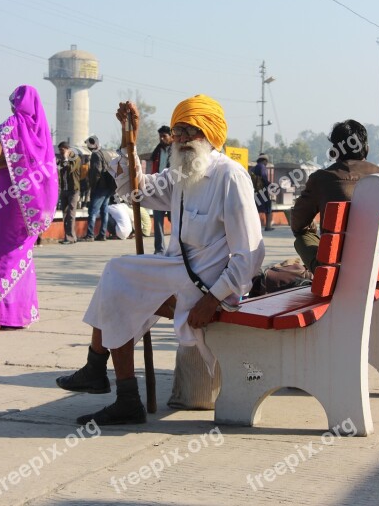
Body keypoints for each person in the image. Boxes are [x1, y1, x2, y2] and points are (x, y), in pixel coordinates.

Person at [56, 94, 264, 426]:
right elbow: (139, 192)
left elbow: (250, 254)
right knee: (116, 282)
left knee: (118, 280)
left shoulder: (230, 177)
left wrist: (213, 300)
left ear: (208, 134)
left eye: (187, 132)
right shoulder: (182, 172)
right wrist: (130, 138)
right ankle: (116, 389)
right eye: (177, 132)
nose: (179, 139)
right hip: (177, 274)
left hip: (208, 287)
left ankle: (102, 374)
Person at [0, 85, 58, 331]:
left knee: (1, 252)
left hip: (7, 202)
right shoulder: (40, 133)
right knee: (20, 254)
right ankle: (16, 314)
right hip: (29, 207)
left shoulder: (13, 124)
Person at [291, 119, 379, 273]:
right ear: (366, 149)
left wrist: (311, 228)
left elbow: (298, 223)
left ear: (335, 152)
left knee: (303, 236)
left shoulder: (321, 179)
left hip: (337, 274)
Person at [81, 135, 114, 242]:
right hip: (109, 186)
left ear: (93, 144)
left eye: (89, 145)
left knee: (93, 211)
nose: (88, 148)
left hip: (100, 186)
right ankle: (102, 234)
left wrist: (92, 186)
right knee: (104, 211)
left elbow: (96, 171)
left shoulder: (95, 155)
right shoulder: (107, 153)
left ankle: (90, 235)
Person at [150, 125, 173, 253]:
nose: (162, 138)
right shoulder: (157, 151)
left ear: (171, 136)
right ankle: (159, 249)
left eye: (164, 136)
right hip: (158, 188)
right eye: (160, 136)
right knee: (158, 220)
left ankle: (176, 249)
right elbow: (154, 169)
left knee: (175, 221)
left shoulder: (177, 150)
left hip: (172, 190)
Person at [57, 141, 81, 245]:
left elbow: (70, 169)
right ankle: (69, 237)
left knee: (71, 214)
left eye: (62, 150)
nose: (61, 153)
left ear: (67, 149)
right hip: (64, 189)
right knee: (65, 214)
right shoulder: (62, 159)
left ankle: (70, 238)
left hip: (73, 190)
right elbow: (59, 171)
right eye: (60, 151)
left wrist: (66, 158)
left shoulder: (76, 158)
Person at [253, 153, 274, 231]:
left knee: (256, 208)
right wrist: (270, 184)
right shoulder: (262, 167)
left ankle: (255, 227)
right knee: (268, 207)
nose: (266, 163)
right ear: (264, 160)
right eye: (266, 161)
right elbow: (264, 178)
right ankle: (268, 226)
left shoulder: (254, 168)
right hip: (262, 191)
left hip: (256, 191)